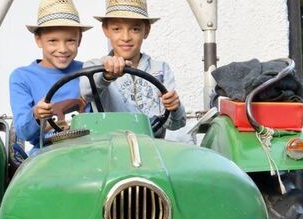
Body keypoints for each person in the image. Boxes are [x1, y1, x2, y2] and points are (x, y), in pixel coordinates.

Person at [80, 0, 186, 138]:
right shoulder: (95, 66)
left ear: (146, 30)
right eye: (117, 29)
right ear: (106, 30)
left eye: (135, 29)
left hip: (152, 146)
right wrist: (106, 76)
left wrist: (175, 107)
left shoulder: (161, 69)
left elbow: (175, 124)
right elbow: (87, 92)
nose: (126, 37)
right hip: (111, 147)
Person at [9, 0, 92, 154]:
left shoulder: (88, 71)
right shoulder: (22, 77)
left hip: (88, 149)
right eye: (53, 41)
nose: (62, 49)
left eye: (70, 40)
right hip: (46, 153)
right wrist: (36, 114)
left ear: (79, 40)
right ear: (38, 39)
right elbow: (23, 131)